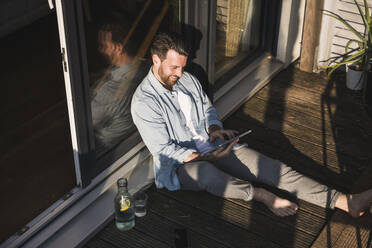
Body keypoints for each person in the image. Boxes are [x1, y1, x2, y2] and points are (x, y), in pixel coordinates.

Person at [131, 32, 372, 217]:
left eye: (183, 67)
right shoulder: (144, 101)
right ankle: (261, 195)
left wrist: (214, 128)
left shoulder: (187, 79)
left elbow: (206, 109)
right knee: (207, 174)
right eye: (174, 67)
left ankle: (344, 202)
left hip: (212, 146)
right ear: (156, 59)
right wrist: (210, 158)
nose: (180, 73)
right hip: (181, 166)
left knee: (273, 167)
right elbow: (165, 150)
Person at [91, 17, 149, 156]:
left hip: (104, 155)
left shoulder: (111, 91)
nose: (99, 49)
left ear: (118, 48)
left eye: (103, 45)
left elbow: (82, 125)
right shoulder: (146, 66)